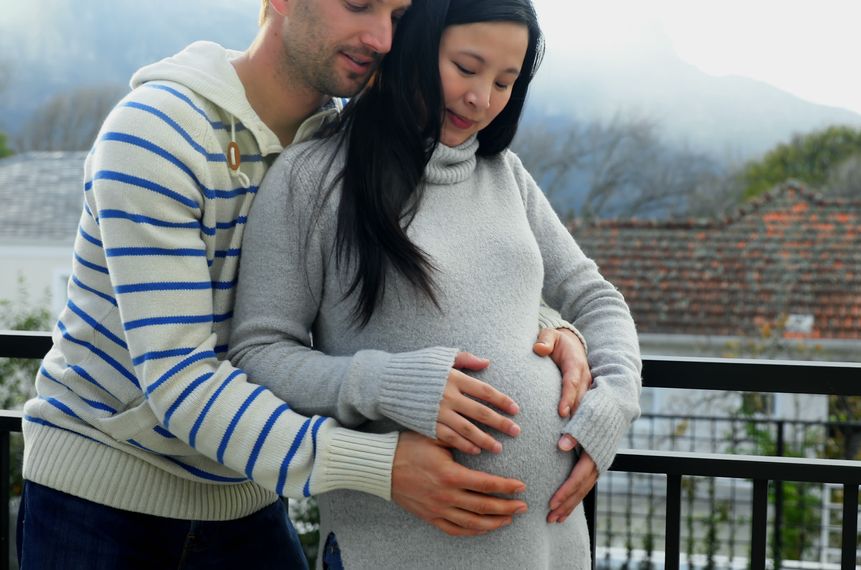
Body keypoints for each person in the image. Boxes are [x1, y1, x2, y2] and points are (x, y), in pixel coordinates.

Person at [17, 0, 594, 567]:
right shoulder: (156, 133)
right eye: (358, 5)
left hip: (246, 489)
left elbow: (444, 258)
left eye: (395, 16)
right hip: (102, 501)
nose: (383, 38)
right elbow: (180, 380)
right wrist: (381, 466)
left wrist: (546, 325)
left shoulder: (353, 143)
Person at [228, 0, 642, 567]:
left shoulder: (505, 175)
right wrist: (386, 383)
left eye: (504, 81)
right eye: (466, 69)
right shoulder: (313, 179)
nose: (482, 99)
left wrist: (614, 404)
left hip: (552, 547)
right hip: (394, 547)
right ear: (418, 47)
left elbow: (596, 297)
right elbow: (258, 354)